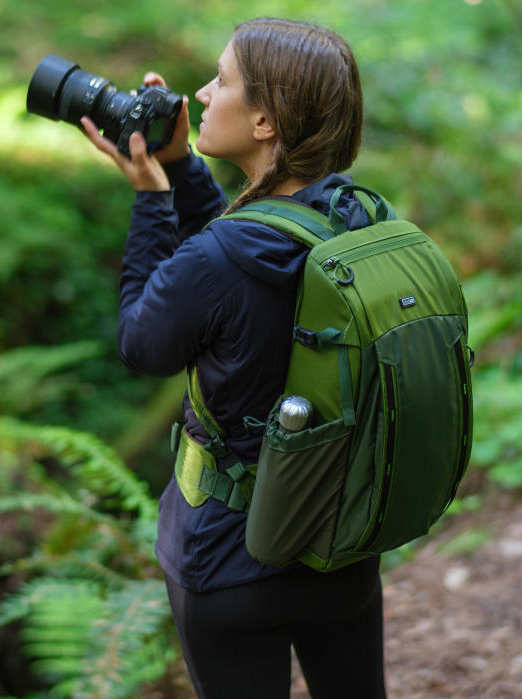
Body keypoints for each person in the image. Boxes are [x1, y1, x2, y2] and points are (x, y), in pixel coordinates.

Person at [80, 17, 387, 699]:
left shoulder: (219, 259)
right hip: (341, 545)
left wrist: (153, 201)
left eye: (222, 81)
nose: (201, 92)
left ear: (265, 123)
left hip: (231, 557)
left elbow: (142, 342)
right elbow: (244, 254)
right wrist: (186, 166)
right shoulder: (353, 218)